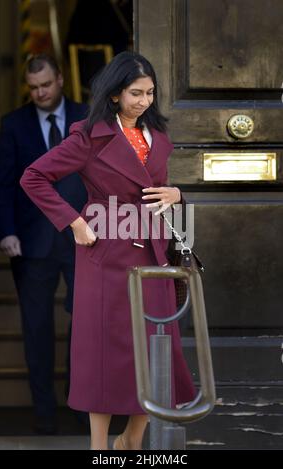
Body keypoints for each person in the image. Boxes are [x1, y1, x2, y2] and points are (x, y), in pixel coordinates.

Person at [20, 51, 196, 449]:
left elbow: (160, 195)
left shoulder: (158, 138)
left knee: (155, 351)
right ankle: (99, 449)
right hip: (105, 257)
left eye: (150, 93)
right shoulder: (88, 136)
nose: (145, 101)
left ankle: (130, 441)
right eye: (136, 93)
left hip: (153, 255)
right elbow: (33, 177)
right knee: (102, 357)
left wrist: (177, 193)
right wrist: (75, 223)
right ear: (115, 94)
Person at [0, 54, 88, 434]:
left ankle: (82, 405)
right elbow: (2, 183)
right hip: (31, 243)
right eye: (33, 88)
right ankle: (44, 414)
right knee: (36, 328)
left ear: (61, 79)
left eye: (46, 85)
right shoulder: (13, 124)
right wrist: (6, 230)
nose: (40, 93)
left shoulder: (88, 117)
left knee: (84, 325)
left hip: (83, 237)